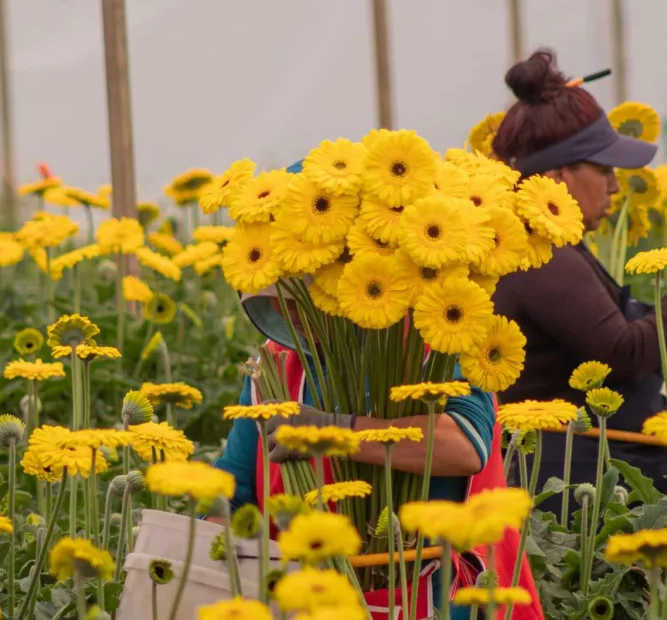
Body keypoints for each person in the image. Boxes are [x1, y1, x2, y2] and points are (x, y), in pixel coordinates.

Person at [213, 162, 544, 619]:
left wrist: (332, 431)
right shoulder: (277, 364)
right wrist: (209, 541)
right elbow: (235, 488)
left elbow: (466, 445)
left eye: (302, 304)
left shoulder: (437, 336)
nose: (296, 328)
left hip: (439, 595)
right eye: (280, 309)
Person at [490, 49, 667, 517]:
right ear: (556, 175)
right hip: (576, 495)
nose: (613, 187)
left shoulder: (553, 243)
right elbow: (620, 353)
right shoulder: (537, 254)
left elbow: (598, 331)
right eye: (603, 170)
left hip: (592, 474)